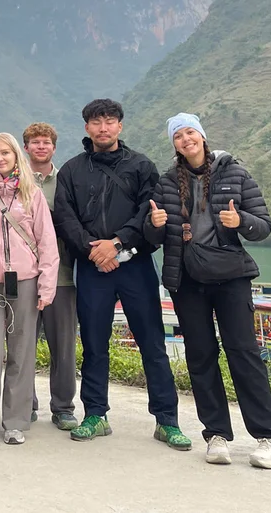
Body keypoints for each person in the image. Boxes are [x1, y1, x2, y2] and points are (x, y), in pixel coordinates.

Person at [145, 113, 271, 469]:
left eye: (190, 132)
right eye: (178, 135)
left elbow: (263, 226)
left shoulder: (235, 173)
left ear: (203, 136)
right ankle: (216, 435)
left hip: (230, 277)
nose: (186, 139)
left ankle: (270, 438)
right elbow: (154, 238)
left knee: (243, 352)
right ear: (173, 143)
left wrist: (242, 222)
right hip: (187, 280)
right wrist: (154, 225)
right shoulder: (166, 182)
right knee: (201, 355)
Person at [51, 98, 191, 449]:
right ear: (86, 128)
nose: (103, 127)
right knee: (94, 345)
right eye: (96, 122)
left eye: (110, 121)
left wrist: (116, 243)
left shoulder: (142, 166)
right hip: (93, 267)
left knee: (152, 345)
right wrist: (92, 250)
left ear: (120, 126)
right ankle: (95, 414)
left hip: (135, 265)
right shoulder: (71, 171)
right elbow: (65, 218)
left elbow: (149, 209)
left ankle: (166, 420)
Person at [0, 133, 59, 444]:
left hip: (25, 281)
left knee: (21, 350)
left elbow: (47, 243)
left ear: (16, 156)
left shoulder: (32, 194)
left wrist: (46, 286)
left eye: (5, 153)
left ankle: (16, 421)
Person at [25, 122, 79, 431]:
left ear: (54, 148)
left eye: (46, 142)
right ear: (27, 147)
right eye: (35, 142)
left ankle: (63, 407)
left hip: (63, 276)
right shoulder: (16, 181)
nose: (41, 147)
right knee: (23, 344)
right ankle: (25, 403)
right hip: (24, 277)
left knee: (64, 346)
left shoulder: (67, 180)